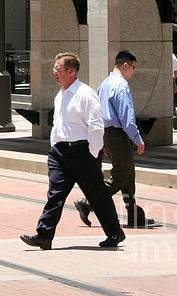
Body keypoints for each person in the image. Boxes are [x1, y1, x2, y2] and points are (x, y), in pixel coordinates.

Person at [20, 52, 125, 250]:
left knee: (97, 195)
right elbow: (59, 122)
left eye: (57, 69)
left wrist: (93, 154)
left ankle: (115, 232)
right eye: (54, 68)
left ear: (71, 71)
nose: (54, 72)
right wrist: (54, 146)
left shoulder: (85, 94)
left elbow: (96, 125)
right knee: (55, 194)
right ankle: (44, 235)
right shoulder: (61, 94)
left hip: (83, 152)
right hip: (60, 152)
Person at [74, 50, 155, 229]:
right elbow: (127, 117)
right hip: (119, 135)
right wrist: (137, 138)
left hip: (107, 133)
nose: (133, 72)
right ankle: (87, 202)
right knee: (121, 175)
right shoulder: (121, 85)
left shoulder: (105, 83)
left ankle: (134, 214)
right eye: (133, 68)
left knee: (128, 174)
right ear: (125, 65)